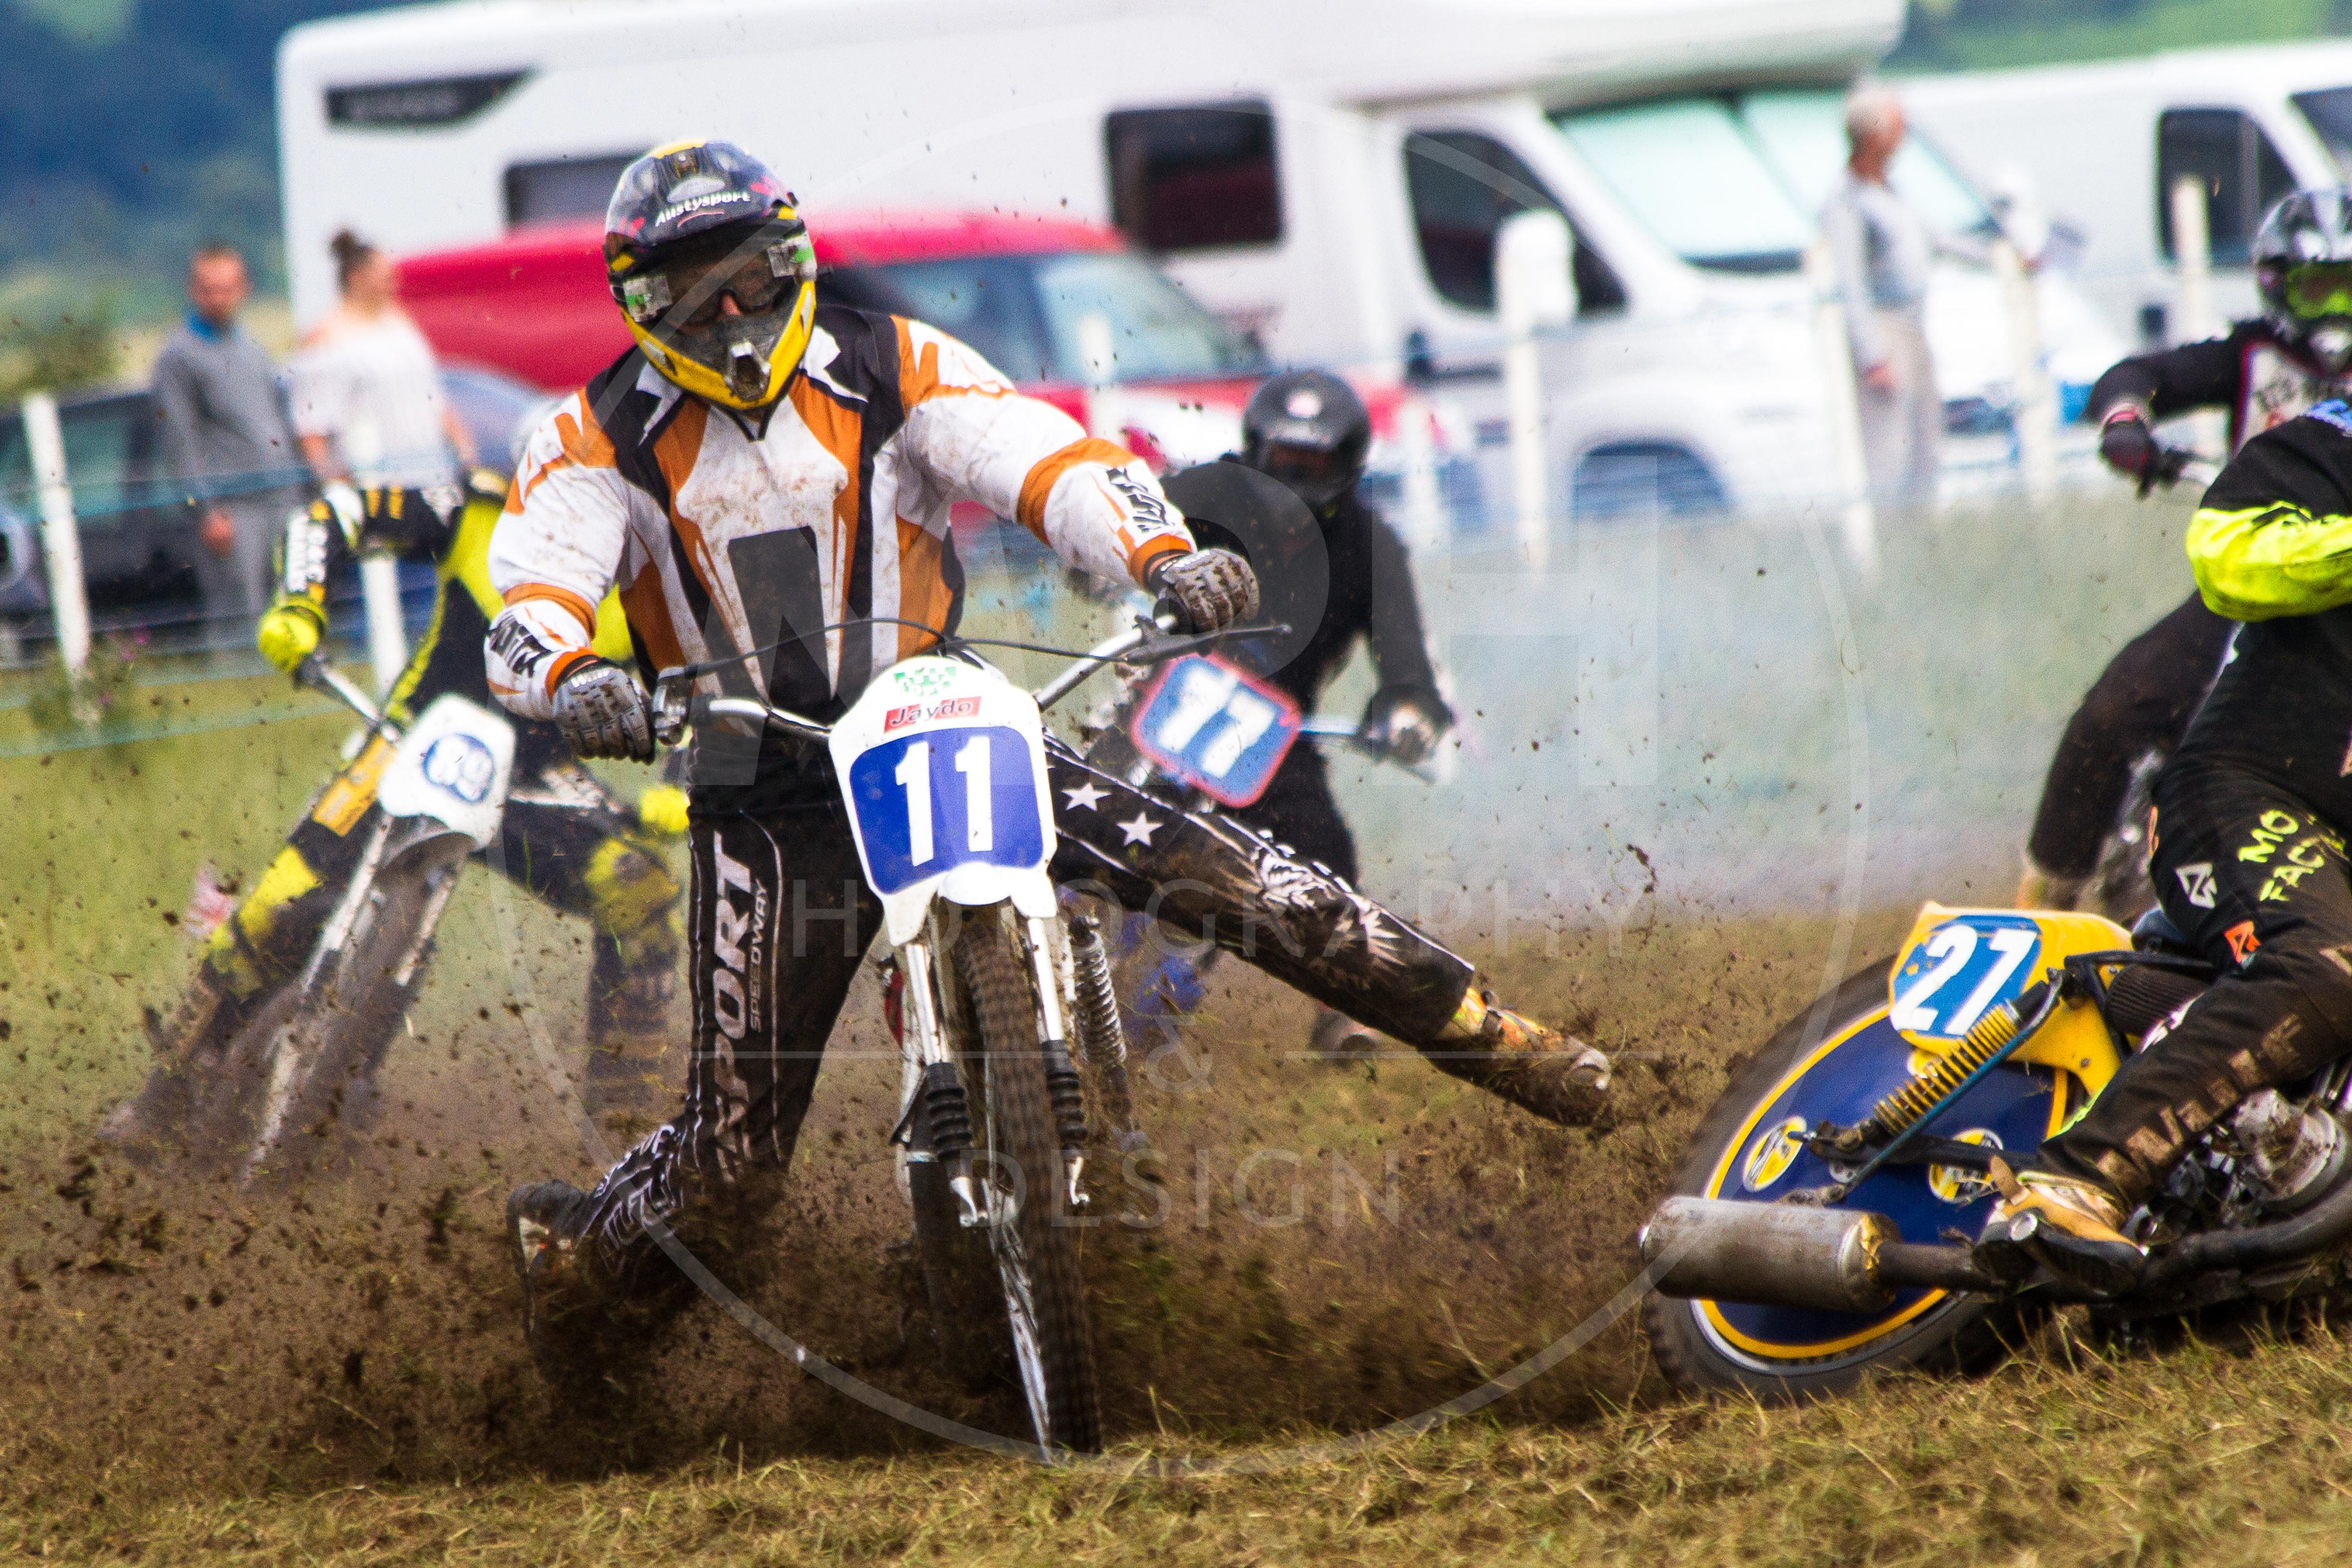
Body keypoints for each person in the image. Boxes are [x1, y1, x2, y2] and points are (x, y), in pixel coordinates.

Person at [480, 140, 1607, 1353]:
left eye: (752, 277)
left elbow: (1043, 458)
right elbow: (531, 595)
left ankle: (1509, 1041)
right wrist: (573, 674)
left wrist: (1163, 552)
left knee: (1260, 886)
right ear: (639, 304)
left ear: (793, 263)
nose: (735, 316)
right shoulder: (589, 435)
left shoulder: (890, 358)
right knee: (734, 1170)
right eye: (694, 294)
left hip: (934, 715)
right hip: (763, 783)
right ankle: (579, 1248)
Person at [99, 470, 687, 1156]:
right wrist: (301, 604)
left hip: (533, 779)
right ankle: (160, 1098)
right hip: (411, 740)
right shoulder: (479, 509)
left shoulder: (659, 595)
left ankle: (624, 1128)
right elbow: (334, 511)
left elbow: (703, 689)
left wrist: (683, 783)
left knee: (641, 884)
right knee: (271, 908)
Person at [1977, 392, 2352, 1293]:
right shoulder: (2329, 442)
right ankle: (2077, 1177)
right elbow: (2229, 559)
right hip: (2241, 794)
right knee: (2334, 965)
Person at [2018, 187, 2352, 913]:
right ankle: (2046, 893)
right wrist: (2127, 423)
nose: (2335, 309)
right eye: (2319, 286)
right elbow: (2138, 376)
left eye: (2349, 287)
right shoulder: (2248, 354)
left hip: (2338, 599)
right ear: (2279, 287)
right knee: (2120, 701)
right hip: (2257, 582)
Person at [1183, 369, 1453, 1059]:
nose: (1296, 481)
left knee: (1325, 846)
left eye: (1314, 466)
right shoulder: (1200, 500)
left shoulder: (1370, 546)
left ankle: (1345, 1007)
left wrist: (1409, 711)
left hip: (1272, 735)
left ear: (1347, 469)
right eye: (1284, 463)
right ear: (1255, 455)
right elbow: (1119, 545)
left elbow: (1409, 665)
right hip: (1160, 700)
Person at [151, 244, 301, 640]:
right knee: (240, 612)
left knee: (289, 605)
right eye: (208, 288)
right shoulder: (178, 356)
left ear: (244, 289)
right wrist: (207, 510)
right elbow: (180, 439)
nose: (219, 297)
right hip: (232, 508)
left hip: (281, 496)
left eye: (227, 287)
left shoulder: (252, 348)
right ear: (192, 290)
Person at [1821, 86, 1954, 504]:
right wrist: (1872, 355)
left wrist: (2000, 254)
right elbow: (1851, 282)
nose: (1904, 134)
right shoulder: (1847, 200)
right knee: (1889, 451)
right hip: (1885, 328)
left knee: (1924, 442)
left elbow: (1934, 239)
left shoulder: (1890, 192)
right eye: (1897, 125)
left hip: (1913, 325)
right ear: (1873, 135)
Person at [290, 232, 477, 488]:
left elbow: (433, 396)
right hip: (377, 489)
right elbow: (312, 428)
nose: (395, 283)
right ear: (356, 278)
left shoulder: (400, 324)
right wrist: (336, 491)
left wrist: (464, 448)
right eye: (386, 278)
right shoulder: (326, 338)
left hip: (432, 478)